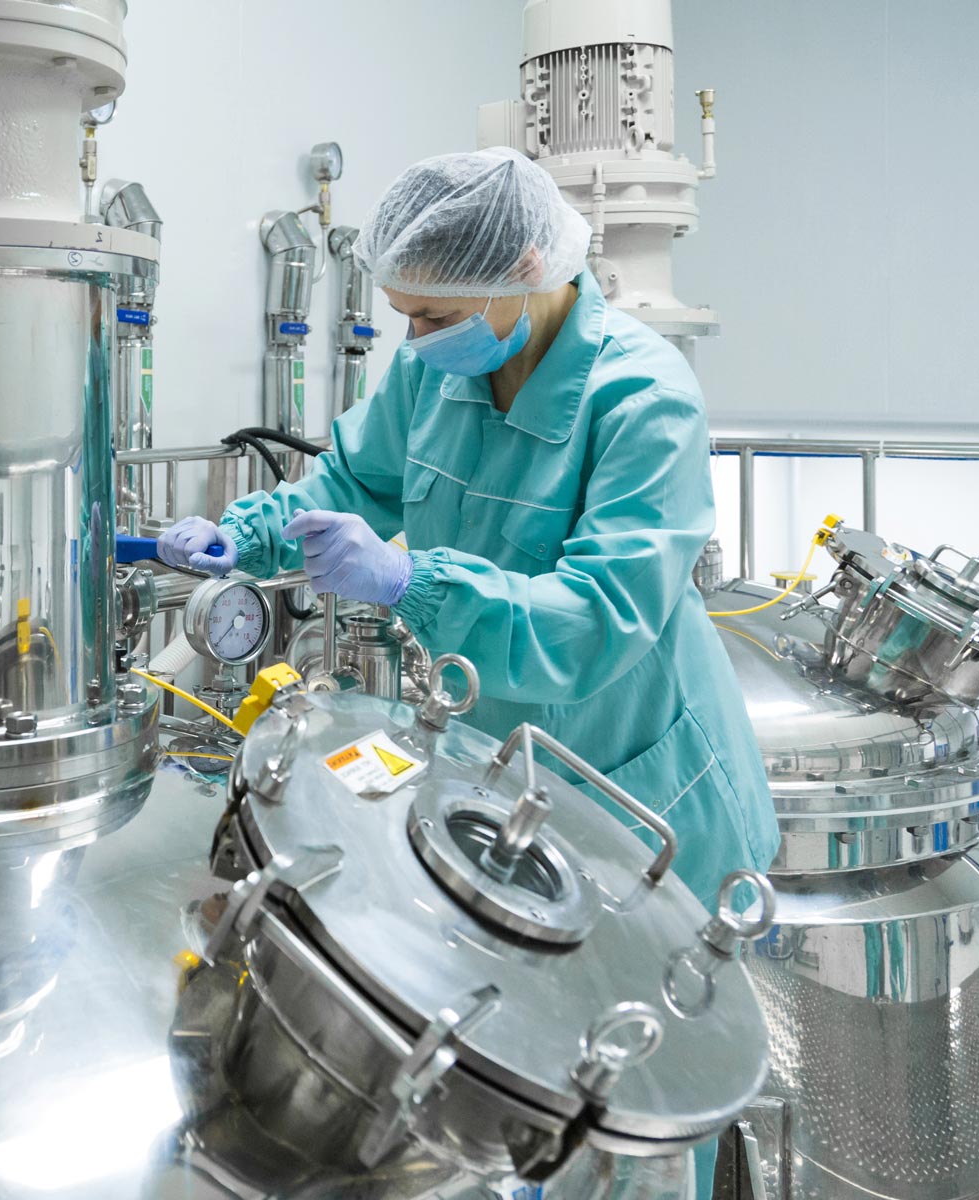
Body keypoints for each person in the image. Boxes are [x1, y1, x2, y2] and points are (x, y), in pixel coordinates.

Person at [158, 148, 779, 911]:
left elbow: (597, 619)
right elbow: (356, 479)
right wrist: (248, 536)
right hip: (502, 762)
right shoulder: (438, 367)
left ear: (524, 267)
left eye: (436, 317)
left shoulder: (645, 399)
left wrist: (409, 584)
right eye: (407, 316)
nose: (416, 339)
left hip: (637, 784)